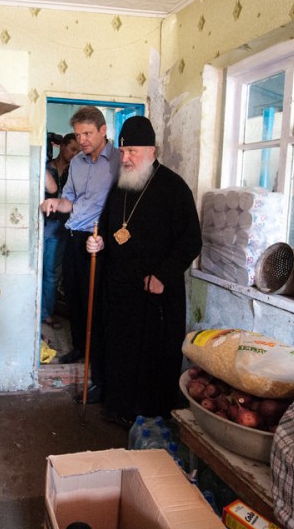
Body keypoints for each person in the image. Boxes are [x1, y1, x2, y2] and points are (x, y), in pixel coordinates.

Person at [86, 116, 202, 427]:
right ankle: (119, 407)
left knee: (152, 356)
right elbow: (113, 232)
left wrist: (163, 275)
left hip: (155, 292)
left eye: (132, 152)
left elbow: (191, 240)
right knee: (120, 350)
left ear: (151, 150)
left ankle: (151, 415)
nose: (125, 159)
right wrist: (99, 244)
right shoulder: (121, 187)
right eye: (123, 153)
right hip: (121, 290)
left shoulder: (174, 188)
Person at [40, 106, 120, 404]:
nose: (82, 140)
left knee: (96, 305)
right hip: (74, 237)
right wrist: (54, 204)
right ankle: (80, 349)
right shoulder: (78, 163)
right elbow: (70, 200)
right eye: (78, 134)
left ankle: (98, 371)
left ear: (103, 131)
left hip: (99, 241)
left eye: (87, 133)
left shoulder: (119, 163)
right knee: (73, 296)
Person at [42, 133, 79, 330]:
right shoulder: (46, 166)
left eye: (78, 151)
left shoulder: (76, 170)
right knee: (39, 272)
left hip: (62, 228)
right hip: (42, 225)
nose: (75, 154)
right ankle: (39, 313)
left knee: (51, 274)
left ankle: (46, 314)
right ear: (62, 146)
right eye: (72, 149)